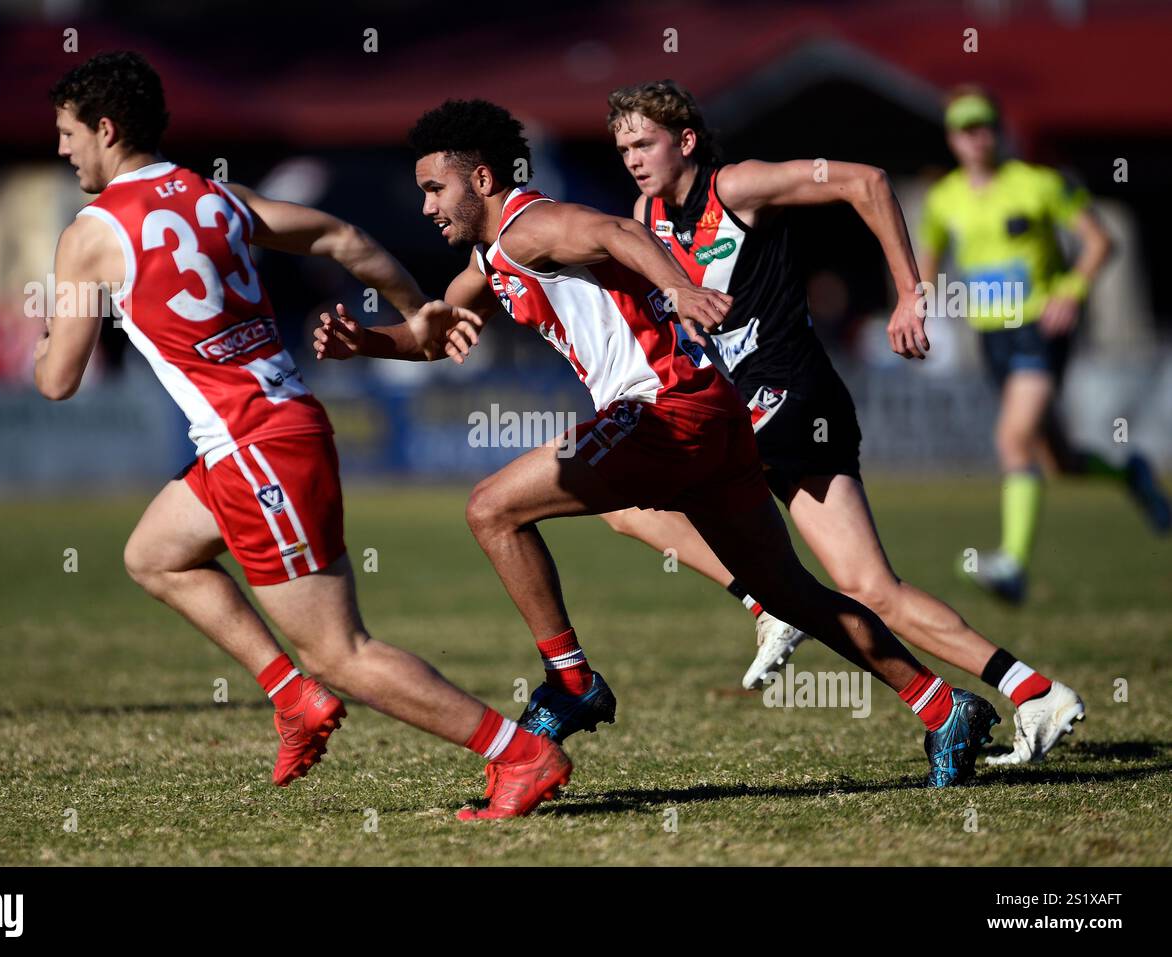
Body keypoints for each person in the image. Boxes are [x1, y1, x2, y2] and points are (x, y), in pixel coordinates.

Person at [315, 98, 1000, 788]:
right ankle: (944, 707)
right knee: (791, 593)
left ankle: (571, 679)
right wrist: (366, 343)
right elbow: (438, 331)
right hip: (713, 413)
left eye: (436, 188)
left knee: (491, 508)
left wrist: (677, 285)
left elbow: (614, 230)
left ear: (484, 179)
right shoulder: (493, 257)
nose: (428, 205)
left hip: (664, 409)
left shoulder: (533, 224)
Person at [37, 51, 569, 821]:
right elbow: (342, 239)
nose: (61, 149)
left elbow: (58, 379)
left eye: (66, 132)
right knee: (153, 553)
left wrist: (43, 336)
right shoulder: (216, 197)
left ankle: (519, 752)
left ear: (106, 129)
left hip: (255, 447)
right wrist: (416, 312)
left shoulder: (89, 232)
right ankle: (293, 697)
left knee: (342, 652)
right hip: (263, 434)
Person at [592, 80, 1083, 765]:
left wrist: (912, 294)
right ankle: (1033, 690)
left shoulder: (739, 186)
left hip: (792, 393)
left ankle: (766, 606)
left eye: (644, 143)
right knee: (871, 588)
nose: (634, 159)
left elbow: (869, 181)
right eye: (622, 148)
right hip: (766, 406)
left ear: (686, 140)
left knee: (631, 491)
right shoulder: (645, 213)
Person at [918, 85, 1169, 604]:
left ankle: (1012, 564)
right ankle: (1132, 472)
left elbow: (1101, 240)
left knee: (1012, 438)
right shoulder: (944, 198)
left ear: (997, 130)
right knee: (1059, 462)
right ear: (952, 139)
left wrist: (1072, 290)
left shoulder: (1038, 184)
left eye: (983, 125)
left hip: (1039, 327)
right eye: (965, 129)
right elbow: (927, 259)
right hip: (991, 335)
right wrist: (920, 306)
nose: (976, 137)